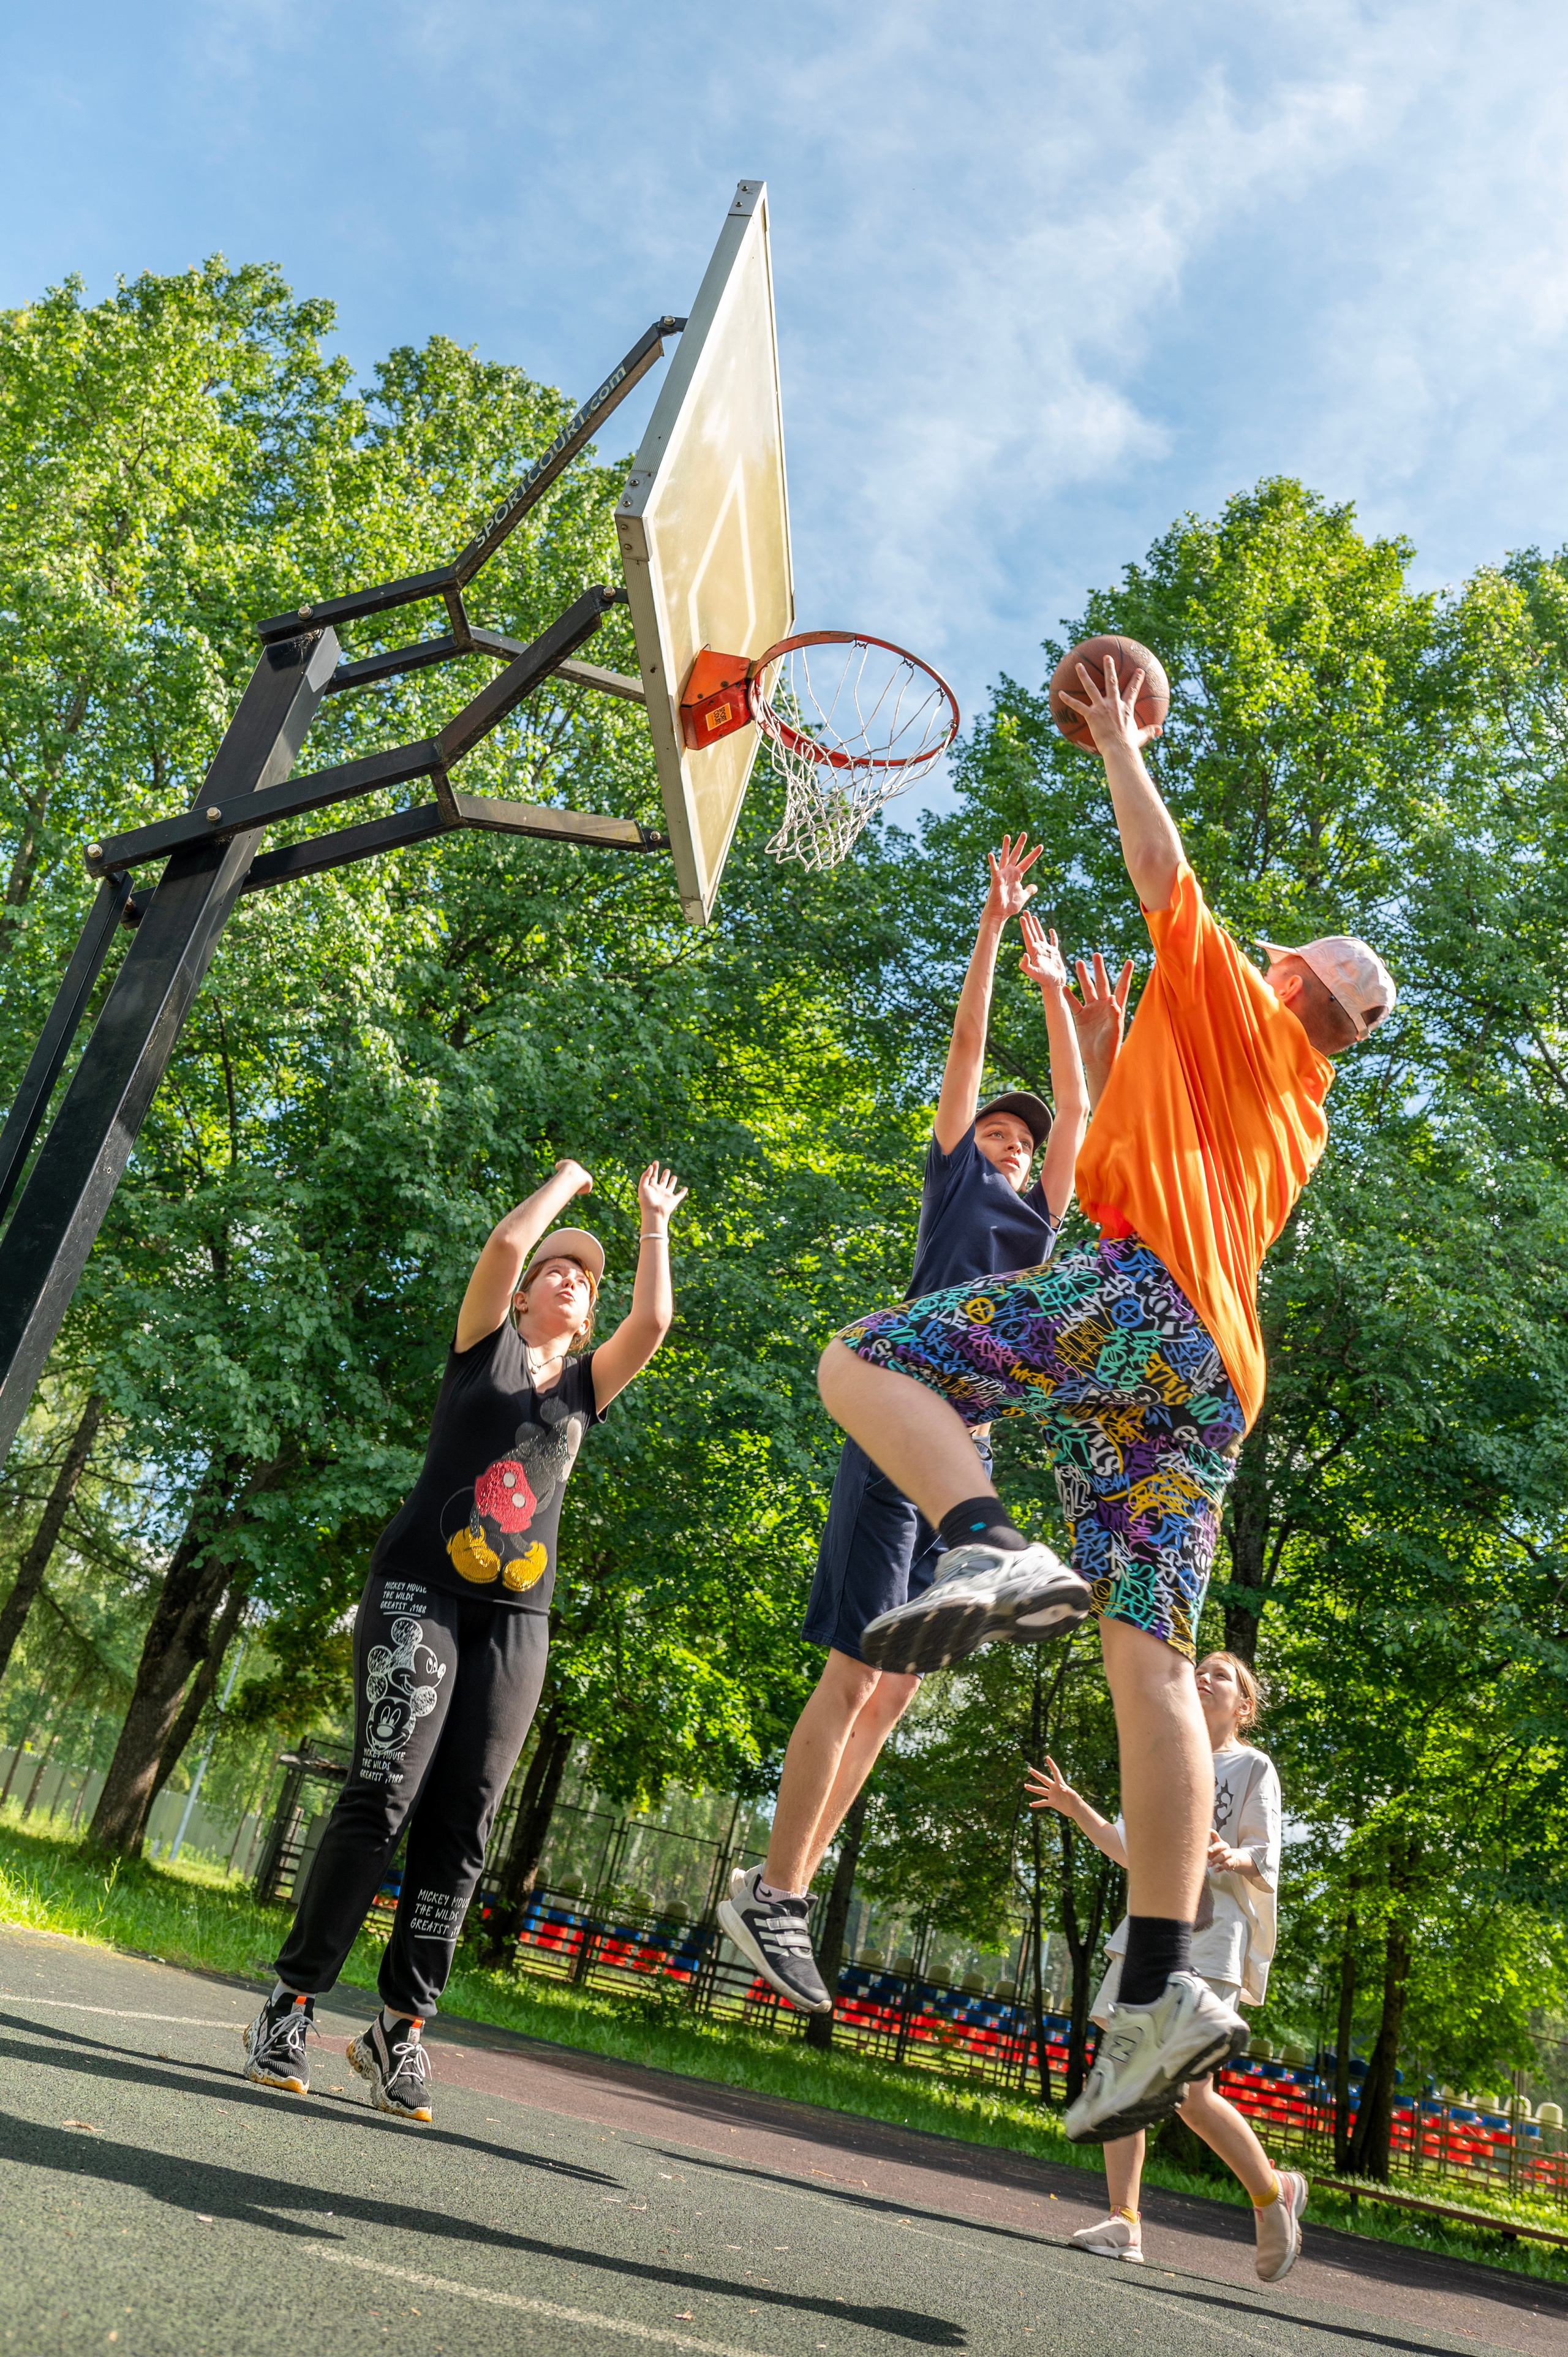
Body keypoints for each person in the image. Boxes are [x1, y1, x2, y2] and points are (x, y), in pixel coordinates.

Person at [816, 651, 1396, 2141]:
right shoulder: (1291, 1096)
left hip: (1147, 1306)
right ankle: (1159, 1986)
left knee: (862, 1355)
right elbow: (1135, 1126)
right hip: (1214, 1379)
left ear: (1285, 982)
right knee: (1149, 1658)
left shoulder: (1248, 1006)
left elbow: (1159, 871)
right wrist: (1088, 1036)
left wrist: (1124, 743)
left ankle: (985, 1539)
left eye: (1269, 957)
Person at [718, 836, 1106, 2012]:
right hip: (898, 1414)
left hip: (963, 1453)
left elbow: (1081, 1107)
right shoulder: (956, 1182)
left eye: (1022, 1140)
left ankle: (783, 1885)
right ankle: (774, 1890)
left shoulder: (1041, 1218)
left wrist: (1061, 996)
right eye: (998, 1130)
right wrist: (992, 934)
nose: (1012, 1140)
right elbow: (965, 1050)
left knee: (896, 1691)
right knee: (855, 1668)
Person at [242, 1152, 688, 2121]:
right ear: (524, 1296)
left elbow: (653, 1322)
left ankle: (398, 2030)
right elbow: (502, 1244)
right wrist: (568, 1182)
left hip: (516, 1619)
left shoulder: (586, 1388)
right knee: (383, 1792)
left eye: (585, 1280)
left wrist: (652, 1222)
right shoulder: (481, 1348)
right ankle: (289, 2005)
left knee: (465, 1819)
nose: (570, 1280)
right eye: (556, 1271)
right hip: (420, 1587)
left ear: (588, 1315)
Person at [1029, 1651, 1308, 2283]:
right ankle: (1124, 2220)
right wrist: (1077, 1808)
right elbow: (1131, 1847)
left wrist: (1232, 1855)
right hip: (1149, 1926)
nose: (1203, 1676)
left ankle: (1272, 2193)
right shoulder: (1166, 1758)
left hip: (1213, 1937)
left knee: (1189, 2093)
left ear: (1244, 1706)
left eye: (1220, 1675)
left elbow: (1265, 1855)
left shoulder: (1252, 1765)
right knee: (1123, 2068)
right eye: (1199, 1668)